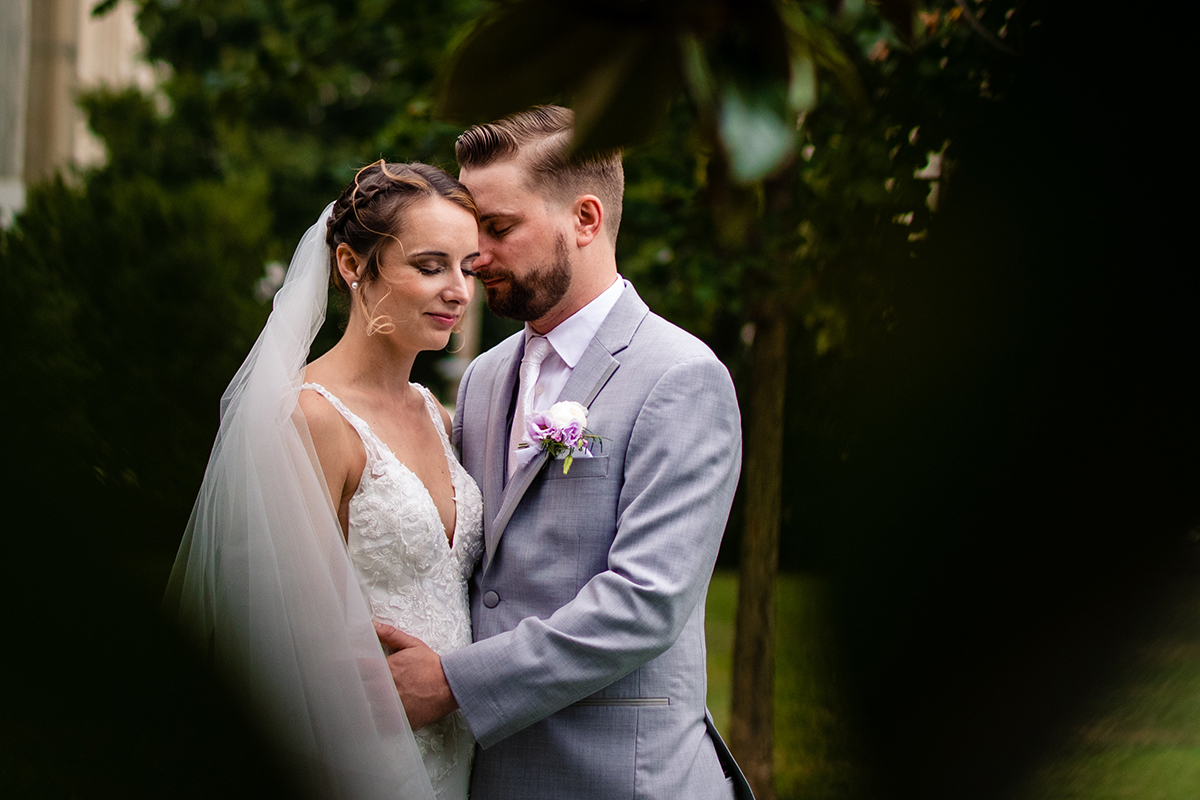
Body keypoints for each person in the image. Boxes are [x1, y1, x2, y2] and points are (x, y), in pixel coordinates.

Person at [374, 106, 754, 799]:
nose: (476, 255)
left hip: (618, 778)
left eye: (498, 227)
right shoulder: (486, 377)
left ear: (584, 220)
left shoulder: (681, 377)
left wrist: (455, 682)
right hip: (487, 774)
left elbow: (644, 602)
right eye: (469, 229)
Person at [164, 161, 484, 800]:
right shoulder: (311, 419)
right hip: (358, 760)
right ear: (350, 265)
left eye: (468, 268)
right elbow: (275, 645)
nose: (459, 291)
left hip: (461, 753)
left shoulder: (437, 413)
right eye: (430, 266)